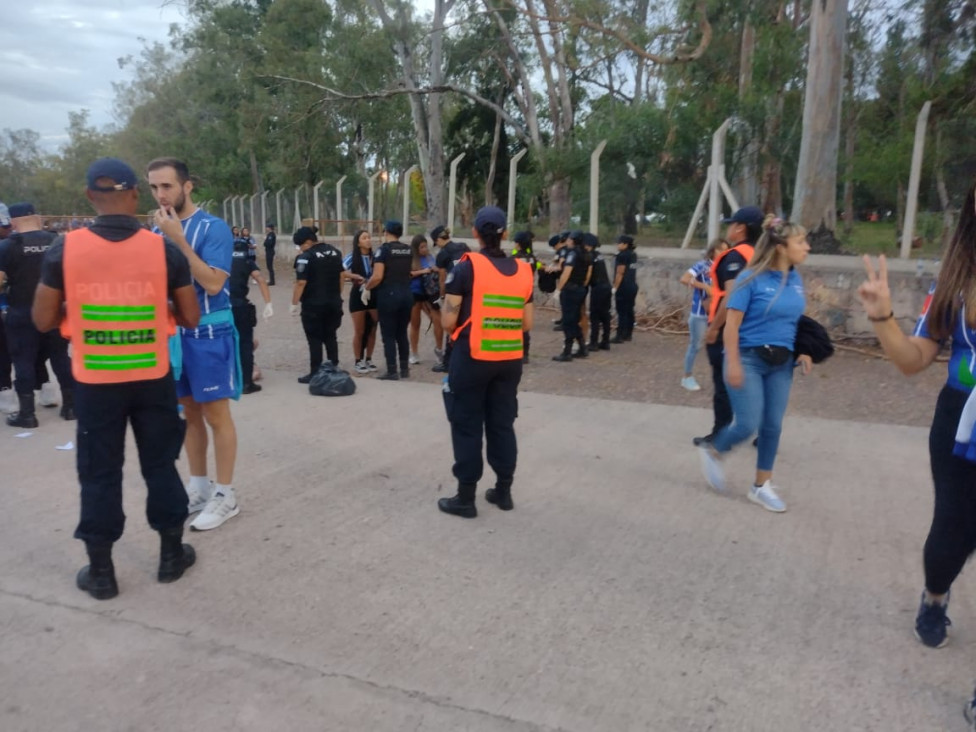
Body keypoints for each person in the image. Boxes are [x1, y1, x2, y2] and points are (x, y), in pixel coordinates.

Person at [32, 157, 200, 600]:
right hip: (152, 376)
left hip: (94, 381)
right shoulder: (162, 249)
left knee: (99, 473)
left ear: (90, 196)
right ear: (134, 195)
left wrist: (78, 309)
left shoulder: (62, 249)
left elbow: (43, 318)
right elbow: (189, 314)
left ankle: (102, 573)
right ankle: (170, 557)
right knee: (160, 465)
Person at [856, 181, 976, 668]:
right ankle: (934, 597)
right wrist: (883, 316)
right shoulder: (955, 283)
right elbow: (913, 359)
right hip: (961, 426)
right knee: (952, 535)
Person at [147, 157, 240, 532]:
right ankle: (199, 487)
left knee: (217, 416)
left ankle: (226, 494)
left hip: (209, 334)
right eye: (153, 187)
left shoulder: (213, 228)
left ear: (187, 186)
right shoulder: (154, 233)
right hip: (175, 337)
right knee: (188, 415)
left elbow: (214, 283)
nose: (160, 195)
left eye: (167, 186)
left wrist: (179, 241)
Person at [697, 217, 812, 513]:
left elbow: (794, 320)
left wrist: (805, 349)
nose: (807, 247)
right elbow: (731, 327)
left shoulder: (795, 279)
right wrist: (732, 362)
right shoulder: (750, 279)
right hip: (748, 358)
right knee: (747, 423)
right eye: (801, 242)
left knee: (772, 425)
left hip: (782, 362)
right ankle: (714, 451)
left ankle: (761, 486)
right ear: (781, 247)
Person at [437, 206, 534, 518]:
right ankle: (503, 491)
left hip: (472, 358)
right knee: (502, 424)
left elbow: (449, 322)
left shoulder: (467, 267)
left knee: (466, 424)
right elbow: (527, 324)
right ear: (505, 233)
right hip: (508, 360)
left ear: (476, 233)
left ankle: (466, 498)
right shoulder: (523, 270)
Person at [0, 202, 75, 427]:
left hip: (22, 312)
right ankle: (71, 406)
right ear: (37, 216)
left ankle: (27, 414)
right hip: (54, 310)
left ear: (12, 222)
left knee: (23, 360)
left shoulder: (7, 247)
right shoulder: (57, 241)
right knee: (60, 357)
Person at [694, 206, 764, 446]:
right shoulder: (763, 254)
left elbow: (731, 294)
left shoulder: (734, 257)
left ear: (741, 228)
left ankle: (721, 434)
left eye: (731, 224)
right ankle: (764, 433)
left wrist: (714, 329)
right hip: (758, 326)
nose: (729, 228)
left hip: (729, 327)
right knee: (760, 380)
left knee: (724, 384)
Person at [291, 226, 361, 382]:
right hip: (333, 303)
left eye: (301, 245)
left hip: (313, 305)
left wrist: (294, 303)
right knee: (330, 336)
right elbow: (342, 276)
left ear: (308, 242)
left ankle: (315, 372)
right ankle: (333, 368)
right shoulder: (335, 252)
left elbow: (301, 282)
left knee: (314, 339)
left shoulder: (305, 257)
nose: (300, 249)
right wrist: (337, 295)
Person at [364, 220, 414, 380]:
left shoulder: (383, 251)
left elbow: (378, 276)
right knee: (402, 333)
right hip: (406, 294)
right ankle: (405, 369)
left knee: (389, 335)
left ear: (386, 232)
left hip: (389, 295)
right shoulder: (407, 250)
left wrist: (367, 287)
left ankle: (392, 370)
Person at [680, 238, 729, 391]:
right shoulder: (702, 266)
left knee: (722, 345)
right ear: (713, 250)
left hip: (719, 314)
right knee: (695, 345)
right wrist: (704, 287)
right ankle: (687, 377)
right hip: (700, 313)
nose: (722, 252)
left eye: (726, 249)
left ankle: (723, 378)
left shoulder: (726, 267)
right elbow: (684, 279)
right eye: (719, 249)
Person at [230, 236, 273, 394]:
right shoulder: (247, 261)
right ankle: (246, 383)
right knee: (245, 344)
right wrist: (268, 303)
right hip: (240, 306)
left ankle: (228, 379)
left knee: (226, 343)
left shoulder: (221, 258)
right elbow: (260, 279)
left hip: (222, 307)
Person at [432, 226, 470, 373]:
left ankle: (448, 362)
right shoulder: (463, 247)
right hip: (468, 291)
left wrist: (442, 297)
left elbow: (442, 279)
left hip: (453, 293)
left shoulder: (442, 254)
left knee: (451, 326)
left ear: (438, 240)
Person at [552, 231, 591, 361]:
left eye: (569, 240)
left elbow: (566, 273)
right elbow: (587, 274)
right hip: (580, 288)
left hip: (570, 290)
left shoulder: (572, 254)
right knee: (574, 320)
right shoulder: (586, 254)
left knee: (568, 321)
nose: (566, 242)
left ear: (573, 241)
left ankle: (567, 352)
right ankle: (582, 347)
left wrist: (559, 289)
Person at [343, 229, 378, 374]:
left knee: (373, 328)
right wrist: (355, 275)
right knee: (360, 330)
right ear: (358, 242)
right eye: (364, 238)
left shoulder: (375, 257)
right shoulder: (352, 257)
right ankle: (358, 360)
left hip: (373, 294)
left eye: (369, 237)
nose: (368, 240)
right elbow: (341, 271)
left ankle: (369, 358)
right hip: (358, 295)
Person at [408, 234, 443, 365]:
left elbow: (438, 270)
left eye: (425, 246)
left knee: (437, 321)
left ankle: (439, 350)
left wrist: (435, 270)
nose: (424, 249)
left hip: (430, 293)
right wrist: (423, 271)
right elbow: (408, 273)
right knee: (415, 323)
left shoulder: (430, 257)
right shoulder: (412, 259)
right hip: (415, 292)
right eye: (421, 247)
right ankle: (414, 353)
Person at [511, 230, 540, 363]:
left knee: (513, 323)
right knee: (525, 325)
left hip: (515, 293)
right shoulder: (532, 258)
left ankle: (513, 351)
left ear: (518, 244)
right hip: (528, 292)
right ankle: (525, 354)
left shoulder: (514, 258)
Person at [582, 233, 612, 351]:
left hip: (597, 288)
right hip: (606, 287)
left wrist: (584, 284)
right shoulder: (599, 255)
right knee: (605, 315)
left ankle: (593, 342)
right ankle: (605, 341)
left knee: (595, 316)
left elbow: (589, 273)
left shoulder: (589, 256)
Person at [611, 234, 639, 344]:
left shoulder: (622, 256)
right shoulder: (633, 254)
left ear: (625, 244)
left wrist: (615, 287)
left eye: (619, 243)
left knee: (621, 311)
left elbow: (620, 273)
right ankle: (628, 334)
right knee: (629, 310)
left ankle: (619, 335)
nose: (617, 245)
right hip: (632, 285)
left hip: (623, 286)